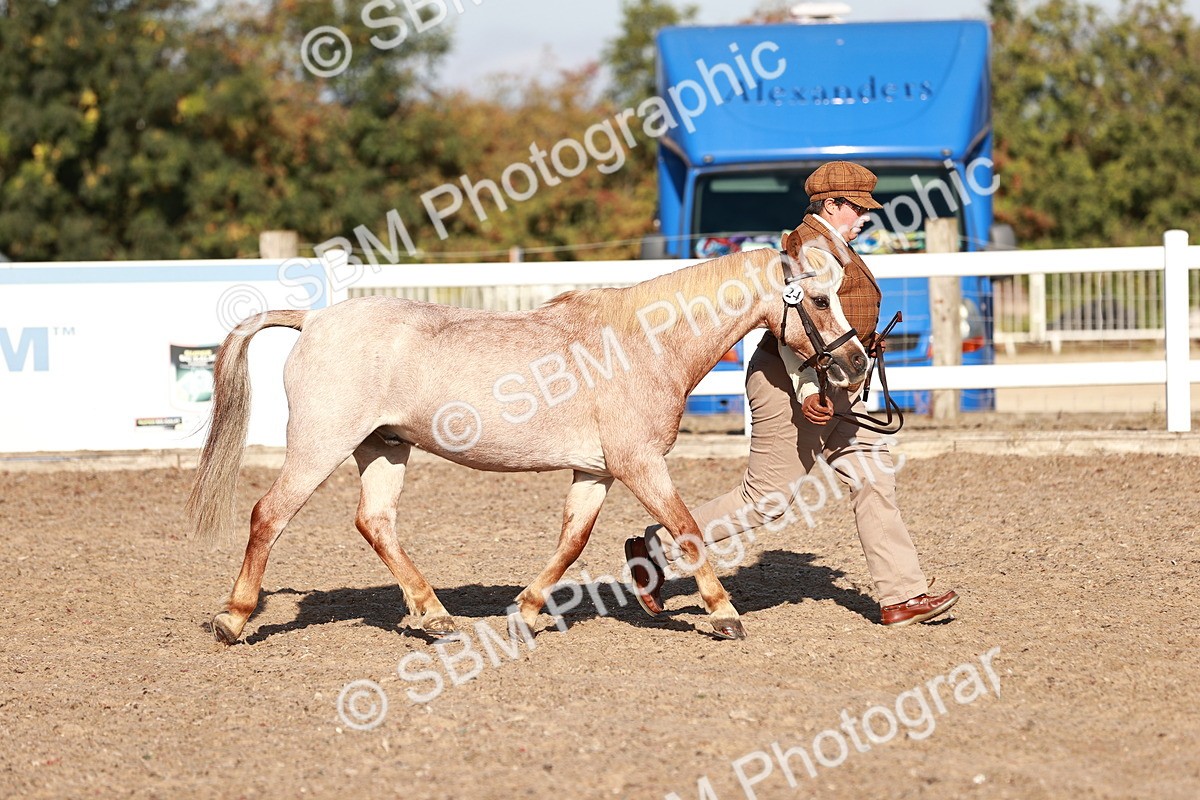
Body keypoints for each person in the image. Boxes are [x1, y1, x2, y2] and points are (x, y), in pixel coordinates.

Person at [624, 161, 958, 628]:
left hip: (836, 386)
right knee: (766, 501)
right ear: (831, 204)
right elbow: (792, 331)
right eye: (856, 209)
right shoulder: (808, 250)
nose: (864, 217)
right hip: (793, 385)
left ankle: (901, 597)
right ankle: (657, 548)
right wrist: (805, 390)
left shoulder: (836, 247)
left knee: (873, 477)